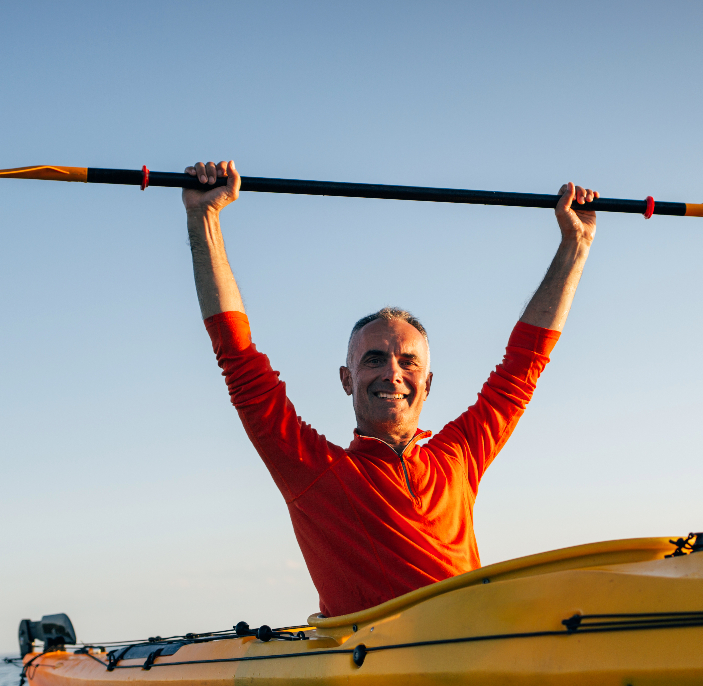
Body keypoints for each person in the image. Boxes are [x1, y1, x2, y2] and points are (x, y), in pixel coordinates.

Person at [184, 160, 598, 618]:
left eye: (408, 362)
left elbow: (523, 368)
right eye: (374, 359)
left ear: (428, 383)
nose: (392, 374)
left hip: (475, 650)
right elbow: (240, 363)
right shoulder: (314, 471)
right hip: (374, 669)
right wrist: (205, 218)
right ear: (346, 379)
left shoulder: (458, 457)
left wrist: (575, 245)